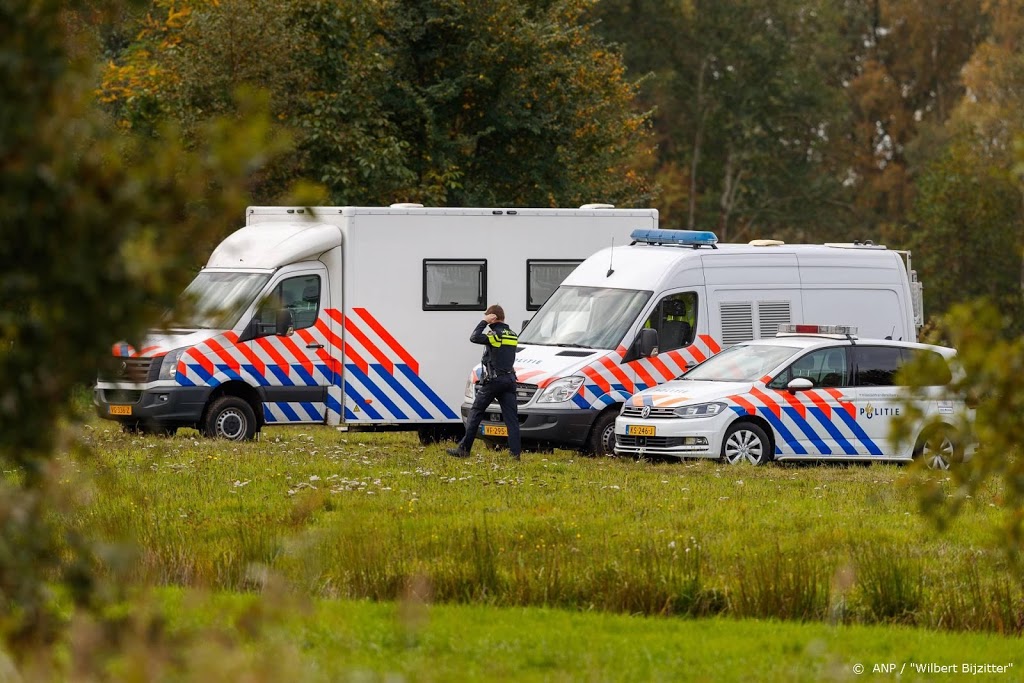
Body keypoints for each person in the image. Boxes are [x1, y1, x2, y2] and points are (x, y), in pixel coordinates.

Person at [447, 304, 522, 460]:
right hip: (510, 380)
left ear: (493, 317)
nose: (485, 318)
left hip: (495, 381)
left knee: (475, 412)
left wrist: (484, 322)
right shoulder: (513, 334)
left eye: (488, 316)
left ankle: (464, 449)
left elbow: (474, 337)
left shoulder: (496, 335)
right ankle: (515, 455)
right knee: (511, 420)